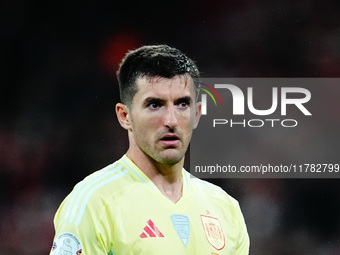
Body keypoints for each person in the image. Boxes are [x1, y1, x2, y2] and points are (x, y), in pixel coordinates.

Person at [49, 45, 250, 255]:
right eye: (155, 105)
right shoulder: (94, 203)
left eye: (182, 104)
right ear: (125, 116)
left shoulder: (226, 209)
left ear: (197, 114)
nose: (171, 120)